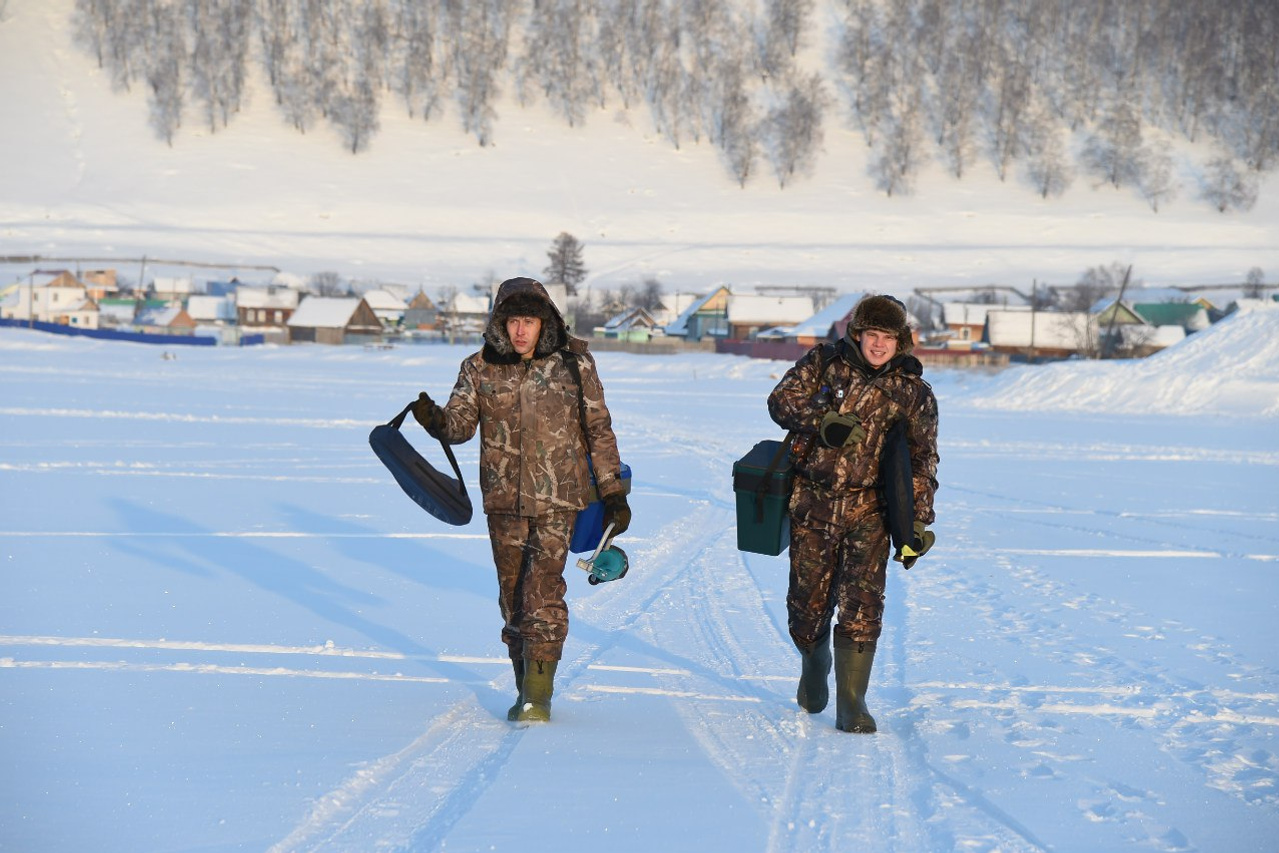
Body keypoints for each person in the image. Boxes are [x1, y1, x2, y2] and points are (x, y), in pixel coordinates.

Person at [412, 277, 630, 723]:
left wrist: (613, 493)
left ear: (543, 321)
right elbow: (460, 425)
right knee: (513, 599)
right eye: (513, 321)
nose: (521, 331)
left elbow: (599, 430)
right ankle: (523, 683)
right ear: (500, 323)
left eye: (529, 320)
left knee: (543, 593)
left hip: (559, 500)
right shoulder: (479, 368)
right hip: (503, 502)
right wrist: (435, 420)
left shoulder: (575, 365)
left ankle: (537, 697)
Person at [766, 294, 938, 733]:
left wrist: (917, 521)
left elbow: (923, 460)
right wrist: (822, 419)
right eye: (872, 335)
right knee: (807, 607)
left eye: (888, 337)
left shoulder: (913, 392)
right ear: (857, 335)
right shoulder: (824, 364)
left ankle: (852, 701)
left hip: (872, 511)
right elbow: (780, 402)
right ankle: (813, 659)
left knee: (863, 606)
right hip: (814, 502)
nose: (879, 345)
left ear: (901, 341)